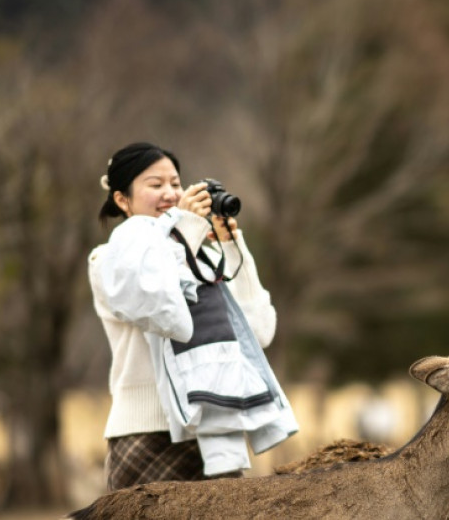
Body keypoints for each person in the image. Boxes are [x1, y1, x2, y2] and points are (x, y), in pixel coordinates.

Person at [88, 142, 296, 491]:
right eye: (155, 185)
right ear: (122, 200)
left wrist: (231, 245)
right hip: (146, 432)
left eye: (175, 183)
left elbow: (259, 332)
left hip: (213, 429)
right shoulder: (108, 259)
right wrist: (182, 230)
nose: (170, 193)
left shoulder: (201, 256)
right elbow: (159, 304)